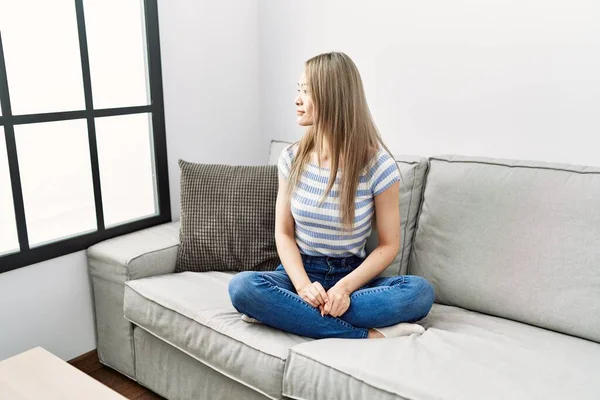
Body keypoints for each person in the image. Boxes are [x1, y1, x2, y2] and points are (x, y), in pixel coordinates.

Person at [228, 51, 434, 339]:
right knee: (242, 288)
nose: (297, 100)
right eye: (298, 90)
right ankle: (367, 335)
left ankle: (287, 314)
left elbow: (389, 245)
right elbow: (284, 234)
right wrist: (302, 287)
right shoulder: (291, 158)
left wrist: (344, 289)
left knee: (420, 293)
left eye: (306, 92)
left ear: (332, 97)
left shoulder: (378, 166)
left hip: (352, 276)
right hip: (299, 272)